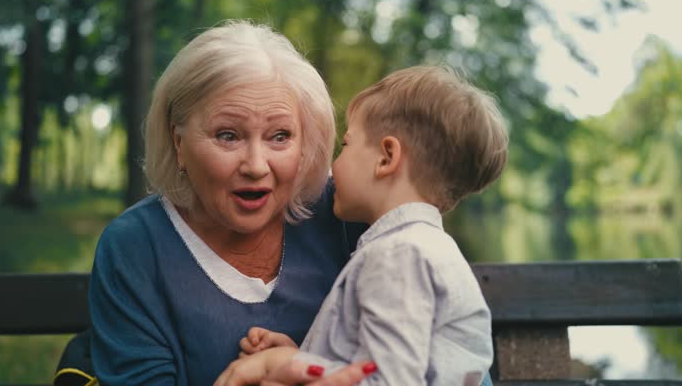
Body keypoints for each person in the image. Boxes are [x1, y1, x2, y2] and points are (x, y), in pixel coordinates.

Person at [86, 20, 376, 386]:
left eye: (280, 136)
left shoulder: (345, 215)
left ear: (306, 144)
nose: (256, 166)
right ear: (179, 143)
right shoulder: (135, 247)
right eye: (228, 135)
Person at [215, 66, 509, 385]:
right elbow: (388, 363)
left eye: (346, 145)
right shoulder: (427, 250)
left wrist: (279, 363)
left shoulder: (398, 257)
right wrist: (304, 359)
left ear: (386, 157)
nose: (333, 166)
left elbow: (388, 381)